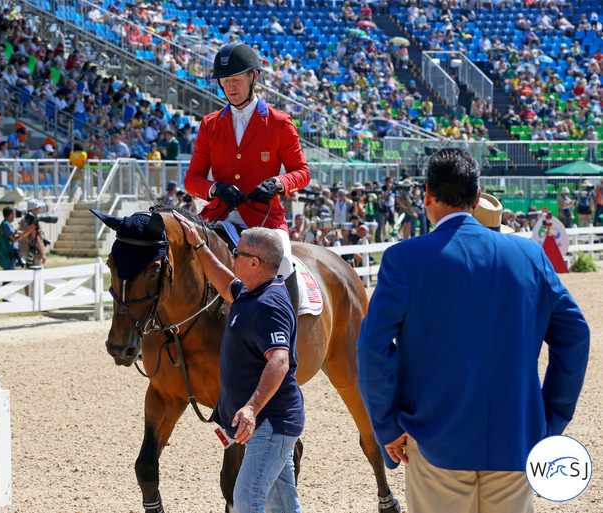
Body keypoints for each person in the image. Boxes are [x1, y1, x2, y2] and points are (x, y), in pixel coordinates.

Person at [357, 148, 590, 513]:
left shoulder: (404, 258)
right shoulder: (531, 256)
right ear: (478, 195)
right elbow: (575, 336)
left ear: (427, 195)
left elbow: (372, 348)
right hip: (516, 438)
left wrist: (388, 426)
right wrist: (550, 418)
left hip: (434, 439)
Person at [173, 210, 304, 513]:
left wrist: (252, 407)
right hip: (269, 424)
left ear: (255, 263)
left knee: (247, 499)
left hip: (270, 423)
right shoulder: (250, 291)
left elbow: (280, 360)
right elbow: (222, 282)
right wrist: (198, 245)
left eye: (237, 252)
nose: (232, 256)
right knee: (283, 505)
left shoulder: (269, 303)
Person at [184, 43, 310, 307]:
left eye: (236, 79)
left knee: (284, 261)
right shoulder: (209, 124)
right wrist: (215, 189)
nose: (230, 86)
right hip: (217, 216)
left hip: (264, 219)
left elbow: (302, 173)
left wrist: (278, 183)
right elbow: (192, 178)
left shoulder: (279, 123)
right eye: (225, 81)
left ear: (253, 77)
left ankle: (292, 335)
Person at [18, 199, 47, 268]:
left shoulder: (25, 219)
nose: (39, 209)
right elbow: (35, 237)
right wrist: (42, 253)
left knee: (29, 273)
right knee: (38, 273)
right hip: (33, 252)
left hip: (26, 251)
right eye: (38, 208)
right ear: (34, 209)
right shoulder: (32, 220)